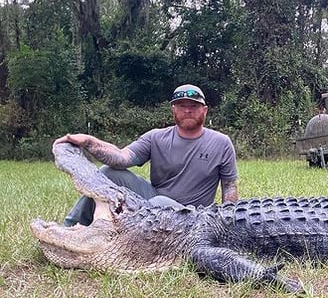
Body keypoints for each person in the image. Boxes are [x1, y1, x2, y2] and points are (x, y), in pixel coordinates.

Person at [56, 84, 239, 227]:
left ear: (204, 110)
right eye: (182, 106)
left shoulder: (221, 143)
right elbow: (122, 157)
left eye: (194, 106)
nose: (188, 110)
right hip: (152, 199)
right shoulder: (155, 137)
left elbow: (229, 186)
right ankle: (71, 226)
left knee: (159, 202)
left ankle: (129, 236)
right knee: (108, 172)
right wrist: (89, 142)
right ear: (173, 110)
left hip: (193, 214)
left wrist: (227, 223)